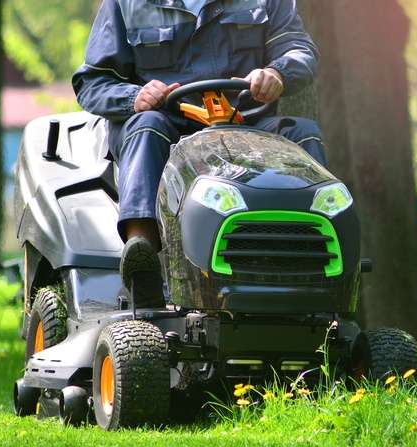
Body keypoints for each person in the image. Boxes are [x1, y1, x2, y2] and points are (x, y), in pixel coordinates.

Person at [72, 0, 323, 308]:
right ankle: (143, 256)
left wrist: (277, 73)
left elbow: (298, 49)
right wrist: (134, 96)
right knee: (146, 125)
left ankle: (310, 259)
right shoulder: (126, 4)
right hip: (167, 124)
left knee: (302, 133)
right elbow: (92, 82)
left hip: (247, 123)